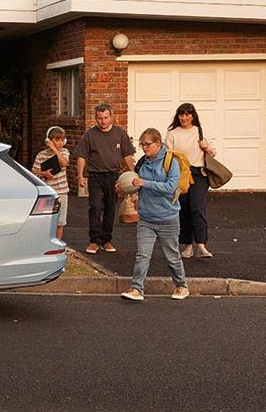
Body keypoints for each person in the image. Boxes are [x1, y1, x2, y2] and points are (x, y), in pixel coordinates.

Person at [119, 127, 188, 302]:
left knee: (172, 257)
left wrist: (145, 183)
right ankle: (136, 288)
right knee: (142, 255)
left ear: (158, 143)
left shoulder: (170, 162)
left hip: (167, 218)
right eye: (142, 145)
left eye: (148, 144)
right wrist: (126, 187)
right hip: (146, 218)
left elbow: (170, 187)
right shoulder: (142, 162)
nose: (144, 148)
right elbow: (135, 183)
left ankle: (181, 285)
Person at [73, 103, 135, 255]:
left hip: (114, 177)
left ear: (111, 117)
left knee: (110, 208)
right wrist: (80, 176)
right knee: (95, 207)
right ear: (96, 118)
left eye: (106, 117)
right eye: (99, 118)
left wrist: (133, 173)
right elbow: (82, 156)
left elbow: (127, 155)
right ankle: (94, 241)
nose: (103, 121)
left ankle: (106, 240)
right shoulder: (90, 135)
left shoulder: (120, 133)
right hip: (95, 176)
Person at [164, 102, 217, 259]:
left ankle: (201, 245)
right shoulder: (173, 134)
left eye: (187, 114)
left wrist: (205, 147)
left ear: (193, 116)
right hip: (180, 174)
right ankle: (187, 246)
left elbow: (213, 153)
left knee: (197, 207)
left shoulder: (199, 131)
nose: (184, 118)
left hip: (199, 174)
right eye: (181, 114)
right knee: (183, 210)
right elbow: (167, 155)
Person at [32, 126, 70, 240]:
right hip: (48, 192)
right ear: (48, 141)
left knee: (60, 221)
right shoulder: (41, 155)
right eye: (56, 140)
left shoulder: (64, 152)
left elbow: (64, 163)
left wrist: (55, 150)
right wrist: (44, 173)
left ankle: (57, 241)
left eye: (61, 140)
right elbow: (33, 172)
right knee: (46, 219)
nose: (59, 143)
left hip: (62, 192)